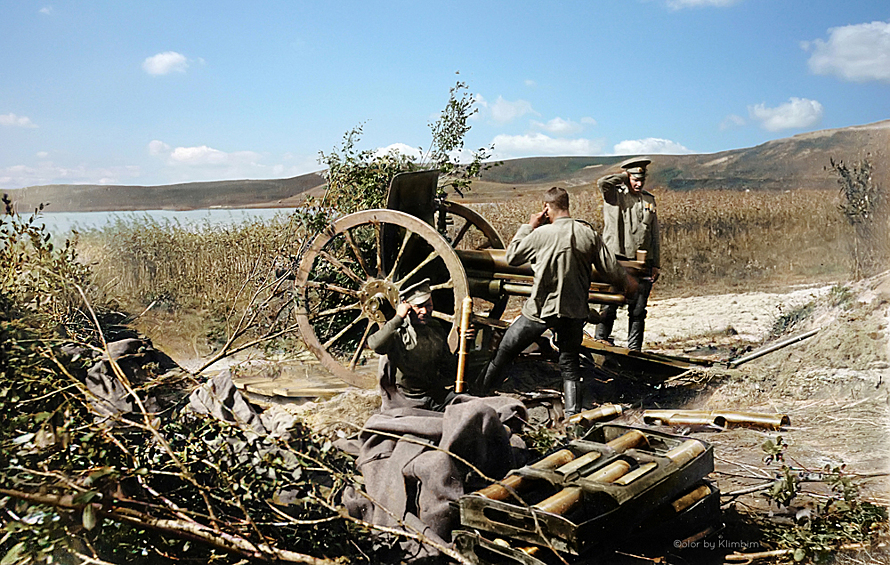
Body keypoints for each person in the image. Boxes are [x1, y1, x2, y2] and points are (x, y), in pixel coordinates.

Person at [476, 187, 637, 416]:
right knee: (569, 366)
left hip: (540, 310)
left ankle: (478, 393)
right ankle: (573, 416)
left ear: (547, 208)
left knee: (505, 350)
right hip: (573, 312)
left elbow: (512, 257)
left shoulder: (541, 234)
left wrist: (529, 225)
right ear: (567, 206)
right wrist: (629, 285)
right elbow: (611, 270)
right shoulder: (588, 234)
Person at [595, 157, 660, 351]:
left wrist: (655, 263)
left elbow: (654, 234)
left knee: (638, 310)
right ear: (627, 178)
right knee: (609, 306)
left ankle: (634, 350)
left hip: (642, 263)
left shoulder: (648, 200)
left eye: (642, 180)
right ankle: (600, 343)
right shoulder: (615, 195)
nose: (639, 183)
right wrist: (623, 177)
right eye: (635, 179)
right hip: (617, 261)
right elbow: (602, 183)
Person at [367, 278, 462, 412]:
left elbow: (448, 368)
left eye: (428, 305)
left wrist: (465, 340)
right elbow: (375, 344)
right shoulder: (398, 332)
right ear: (407, 306)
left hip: (434, 397)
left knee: (474, 407)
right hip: (406, 401)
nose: (424, 311)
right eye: (418, 306)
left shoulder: (435, 328)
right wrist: (398, 317)